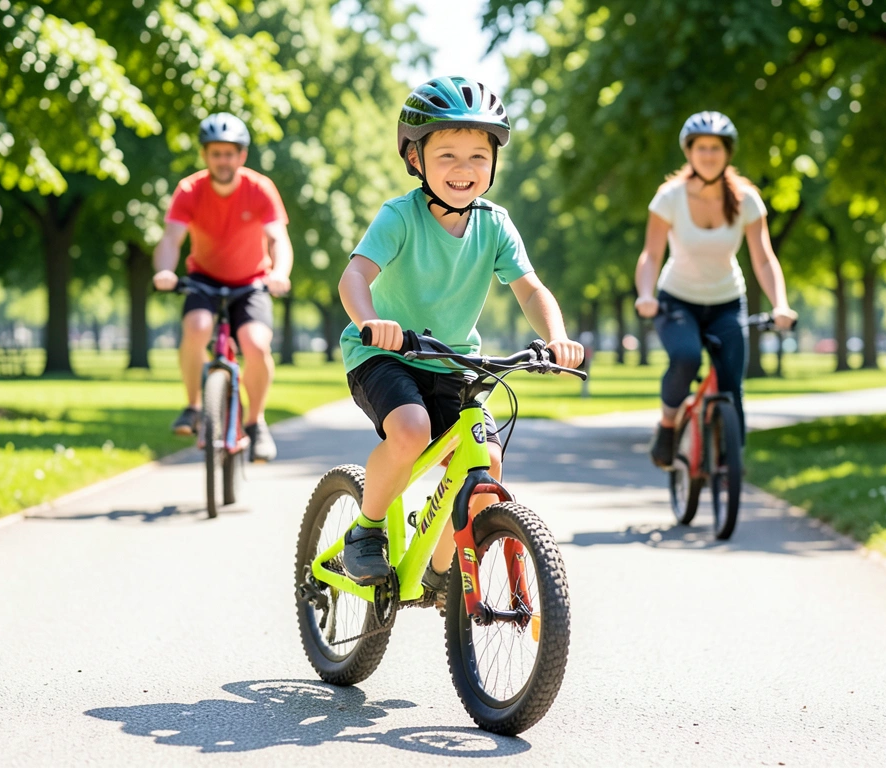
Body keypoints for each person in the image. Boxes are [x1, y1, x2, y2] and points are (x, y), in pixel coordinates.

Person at [336, 77, 584, 594]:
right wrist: (369, 322)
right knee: (410, 431)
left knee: (487, 462)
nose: (464, 169)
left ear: (493, 164)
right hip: (385, 353)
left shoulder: (495, 224)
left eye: (478, 155)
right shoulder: (399, 216)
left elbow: (530, 289)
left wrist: (556, 336)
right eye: (447, 154)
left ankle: (440, 569)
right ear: (414, 158)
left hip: (452, 362)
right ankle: (367, 528)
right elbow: (354, 277)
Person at [634, 111, 797, 469]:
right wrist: (645, 294)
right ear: (689, 152)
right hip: (678, 300)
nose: (709, 154)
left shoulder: (746, 199)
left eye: (716, 148)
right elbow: (651, 253)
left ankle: (727, 470)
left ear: (727, 153)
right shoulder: (670, 197)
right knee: (686, 357)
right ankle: (667, 425)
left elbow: (764, 258)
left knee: (731, 389)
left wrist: (780, 304)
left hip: (727, 302)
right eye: (701, 147)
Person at [153, 113, 292, 461]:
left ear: (241, 156)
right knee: (196, 328)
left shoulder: (259, 188)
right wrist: (165, 271)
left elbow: (278, 239)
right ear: (205, 156)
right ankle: (193, 406)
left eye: (230, 153)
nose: (223, 160)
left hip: (252, 281)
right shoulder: (190, 190)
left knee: (256, 346)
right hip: (204, 278)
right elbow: (171, 238)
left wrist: (280, 272)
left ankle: (256, 422)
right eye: (216, 153)